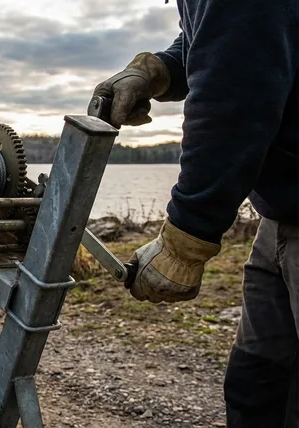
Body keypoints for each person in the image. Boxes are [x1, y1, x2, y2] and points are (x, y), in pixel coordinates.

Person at [91, 1, 298, 426]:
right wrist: (159, 68)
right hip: (283, 216)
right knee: (258, 385)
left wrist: (186, 240)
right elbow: (225, 36)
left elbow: (233, 98)